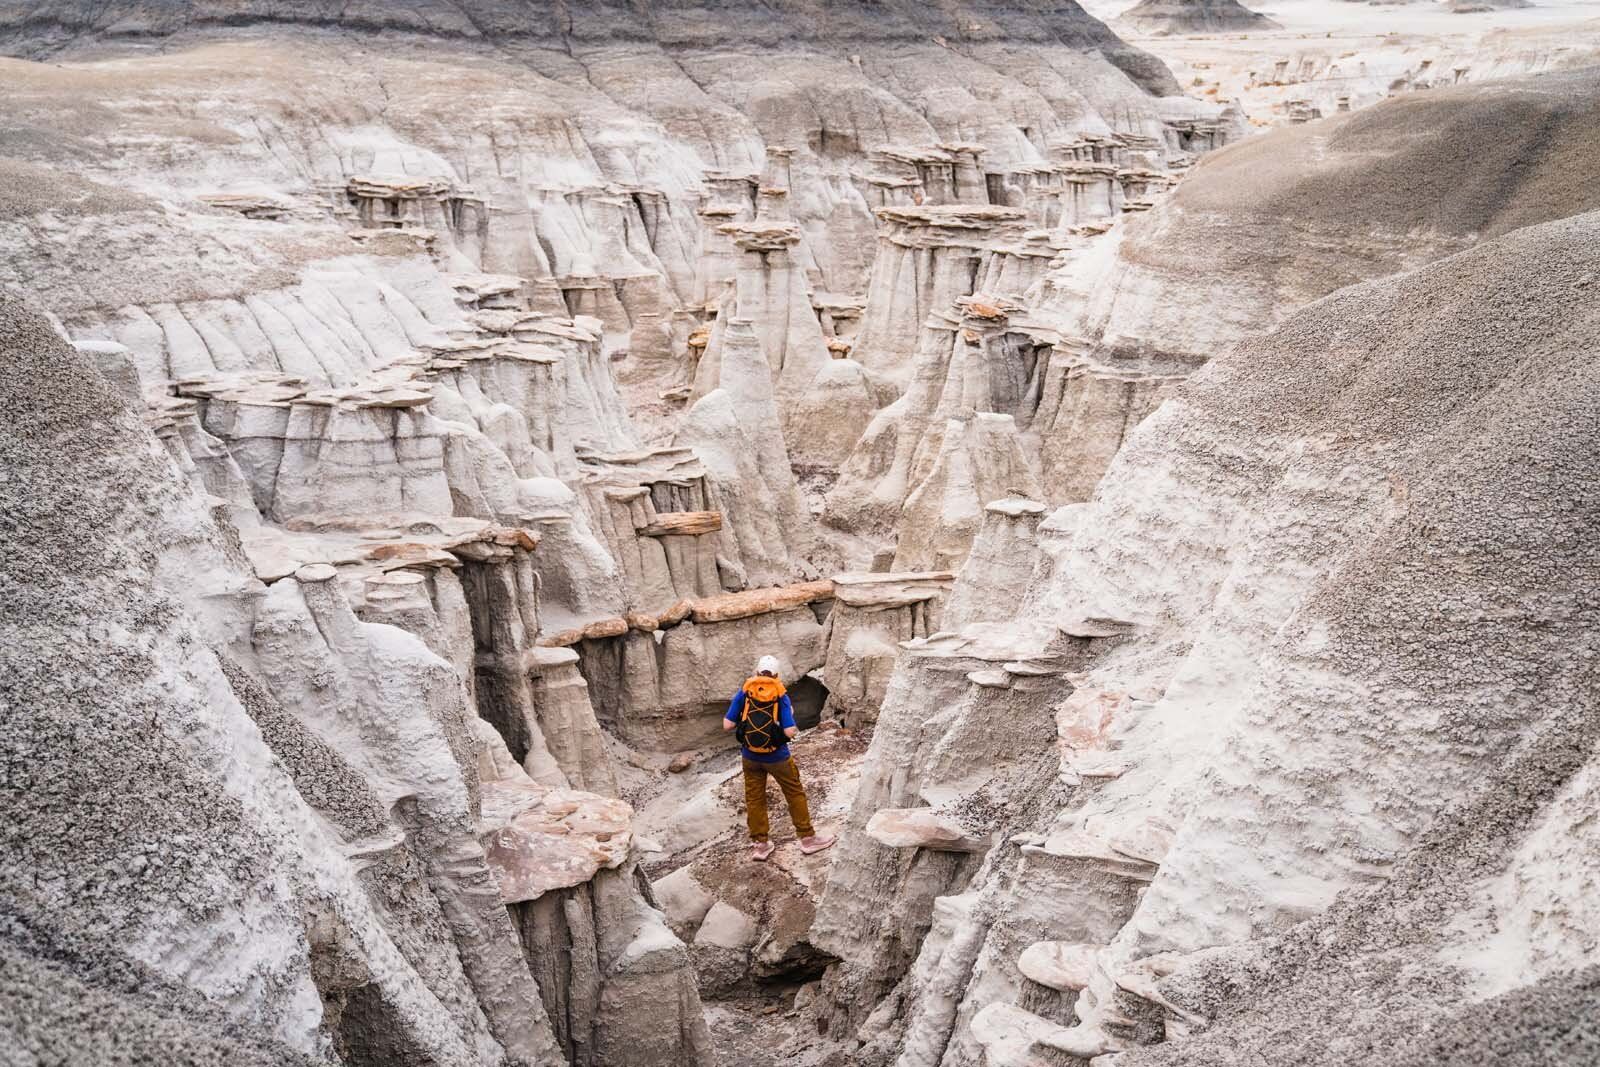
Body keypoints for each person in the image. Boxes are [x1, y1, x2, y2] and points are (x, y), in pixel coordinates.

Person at [723, 655, 835, 861]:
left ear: (757, 672)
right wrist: (788, 715)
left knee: (755, 798)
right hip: (777, 757)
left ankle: (761, 845)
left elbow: (727, 725)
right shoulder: (780, 693)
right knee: (794, 793)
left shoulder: (745, 691)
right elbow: (790, 731)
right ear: (776, 675)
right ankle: (807, 839)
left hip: (749, 757)